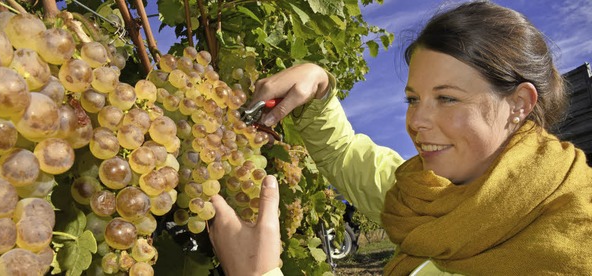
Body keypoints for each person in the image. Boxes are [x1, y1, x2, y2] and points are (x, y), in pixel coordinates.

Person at [208, 1, 592, 275]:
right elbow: (343, 154)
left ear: (519, 103)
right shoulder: (422, 195)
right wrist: (319, 85)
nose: (417, 120)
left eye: (446, 98)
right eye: (413, 99)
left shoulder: (574, 243)